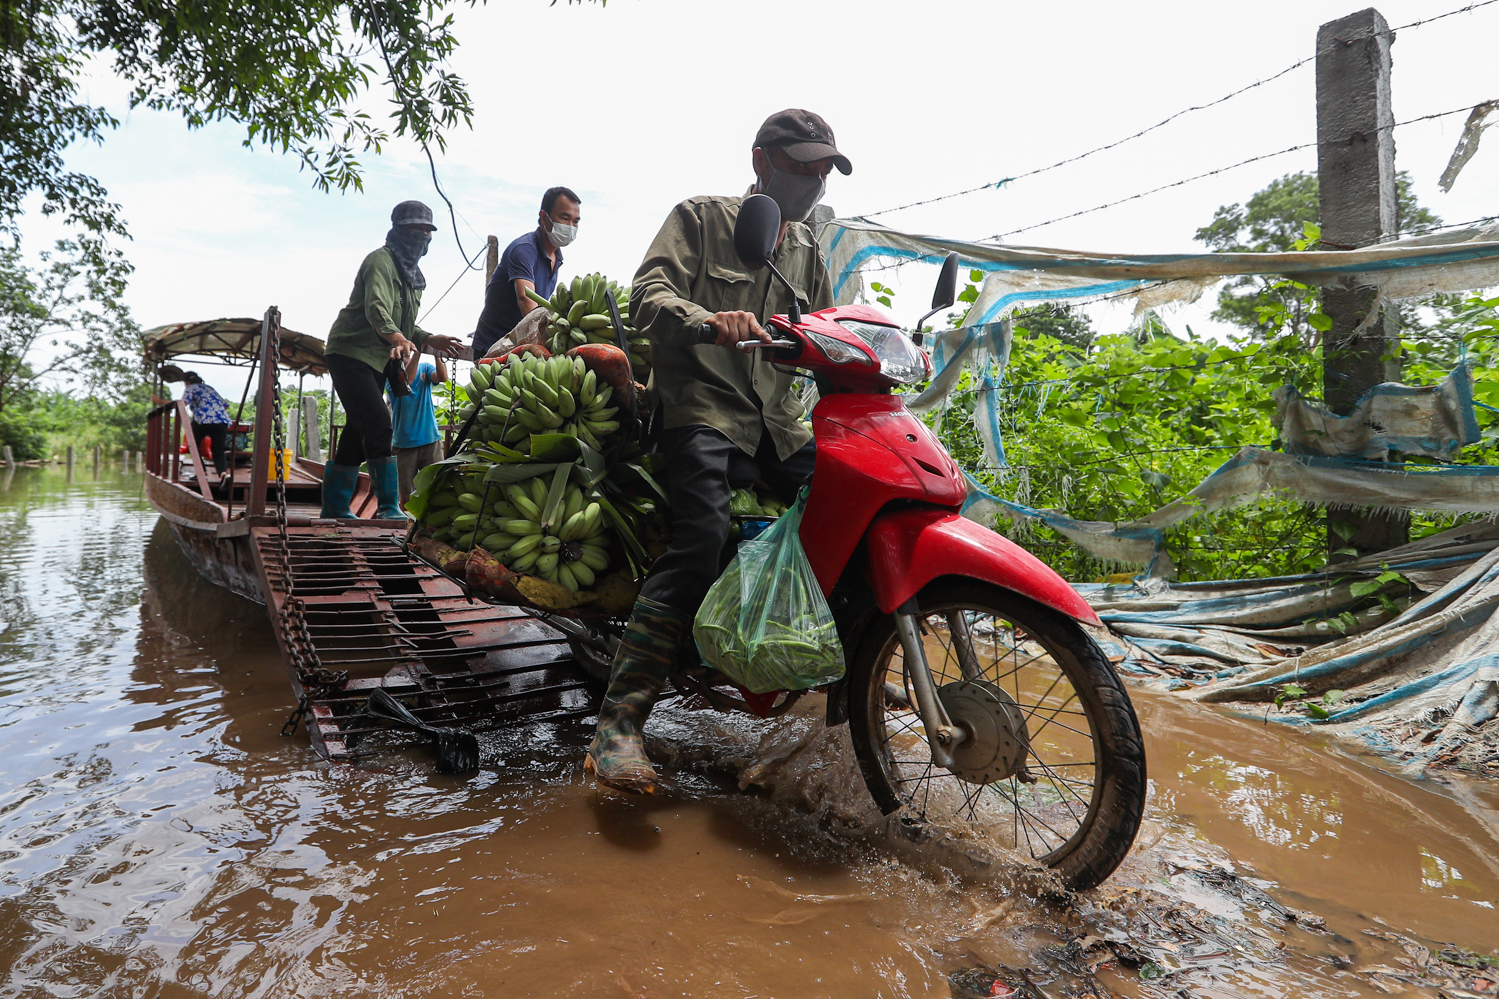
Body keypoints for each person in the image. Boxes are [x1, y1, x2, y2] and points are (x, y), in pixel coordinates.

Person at [586, 109, 851, 794]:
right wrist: (706, 322)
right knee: (700, 533)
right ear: (761, 160)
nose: (814, 181)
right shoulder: (700, 219)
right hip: (703, 412)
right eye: (801, 166)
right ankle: (617, 725)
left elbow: (828, 332)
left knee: (853, 506)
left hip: (779, 426)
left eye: (823, 169)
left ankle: (855, 672)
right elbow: (647, 295)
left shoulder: (807, 254)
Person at [322, 200, 464, 519]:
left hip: (377, 358)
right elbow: (377, 308)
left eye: (426, 232)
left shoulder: (414, 277)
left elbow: (406, 322)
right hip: (350, 351)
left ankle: (334, 506)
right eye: (414, 230)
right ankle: (388, 505)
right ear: (398, 231)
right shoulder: (380, 262)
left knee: (356, 431)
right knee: (379, 422)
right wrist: (397, 336)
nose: (421, 238)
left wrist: (427, 338)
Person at [471, 186, 581, 358]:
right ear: (544, 218)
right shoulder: (524, 250)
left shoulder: (556, 257)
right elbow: (526, 300)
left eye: (575, 221)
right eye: (564, 218)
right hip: (494, 347)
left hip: (522, 345)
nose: (571, 226)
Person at [387, 348, 448, 505]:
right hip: (404, 444)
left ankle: (432, 526)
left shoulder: (425, 369)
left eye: (407, 355)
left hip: (430, 440)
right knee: (407, 496)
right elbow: (407, 381)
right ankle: (410, 527)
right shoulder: (391, 378)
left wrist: (437, 355)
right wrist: (418, 352)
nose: (405, 359)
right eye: (402, 357)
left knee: (437, 487)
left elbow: (442, 377)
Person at [152, 371, 232, 477]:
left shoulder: (191, 388)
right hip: (222, 421)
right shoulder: (209, 388)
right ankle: (223, 473)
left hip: (204, 419)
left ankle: (201, 472)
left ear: (186, 382)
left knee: (192, 444)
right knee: (218, 449)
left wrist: (160, 401)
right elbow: (226, 405)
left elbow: (182, 403)